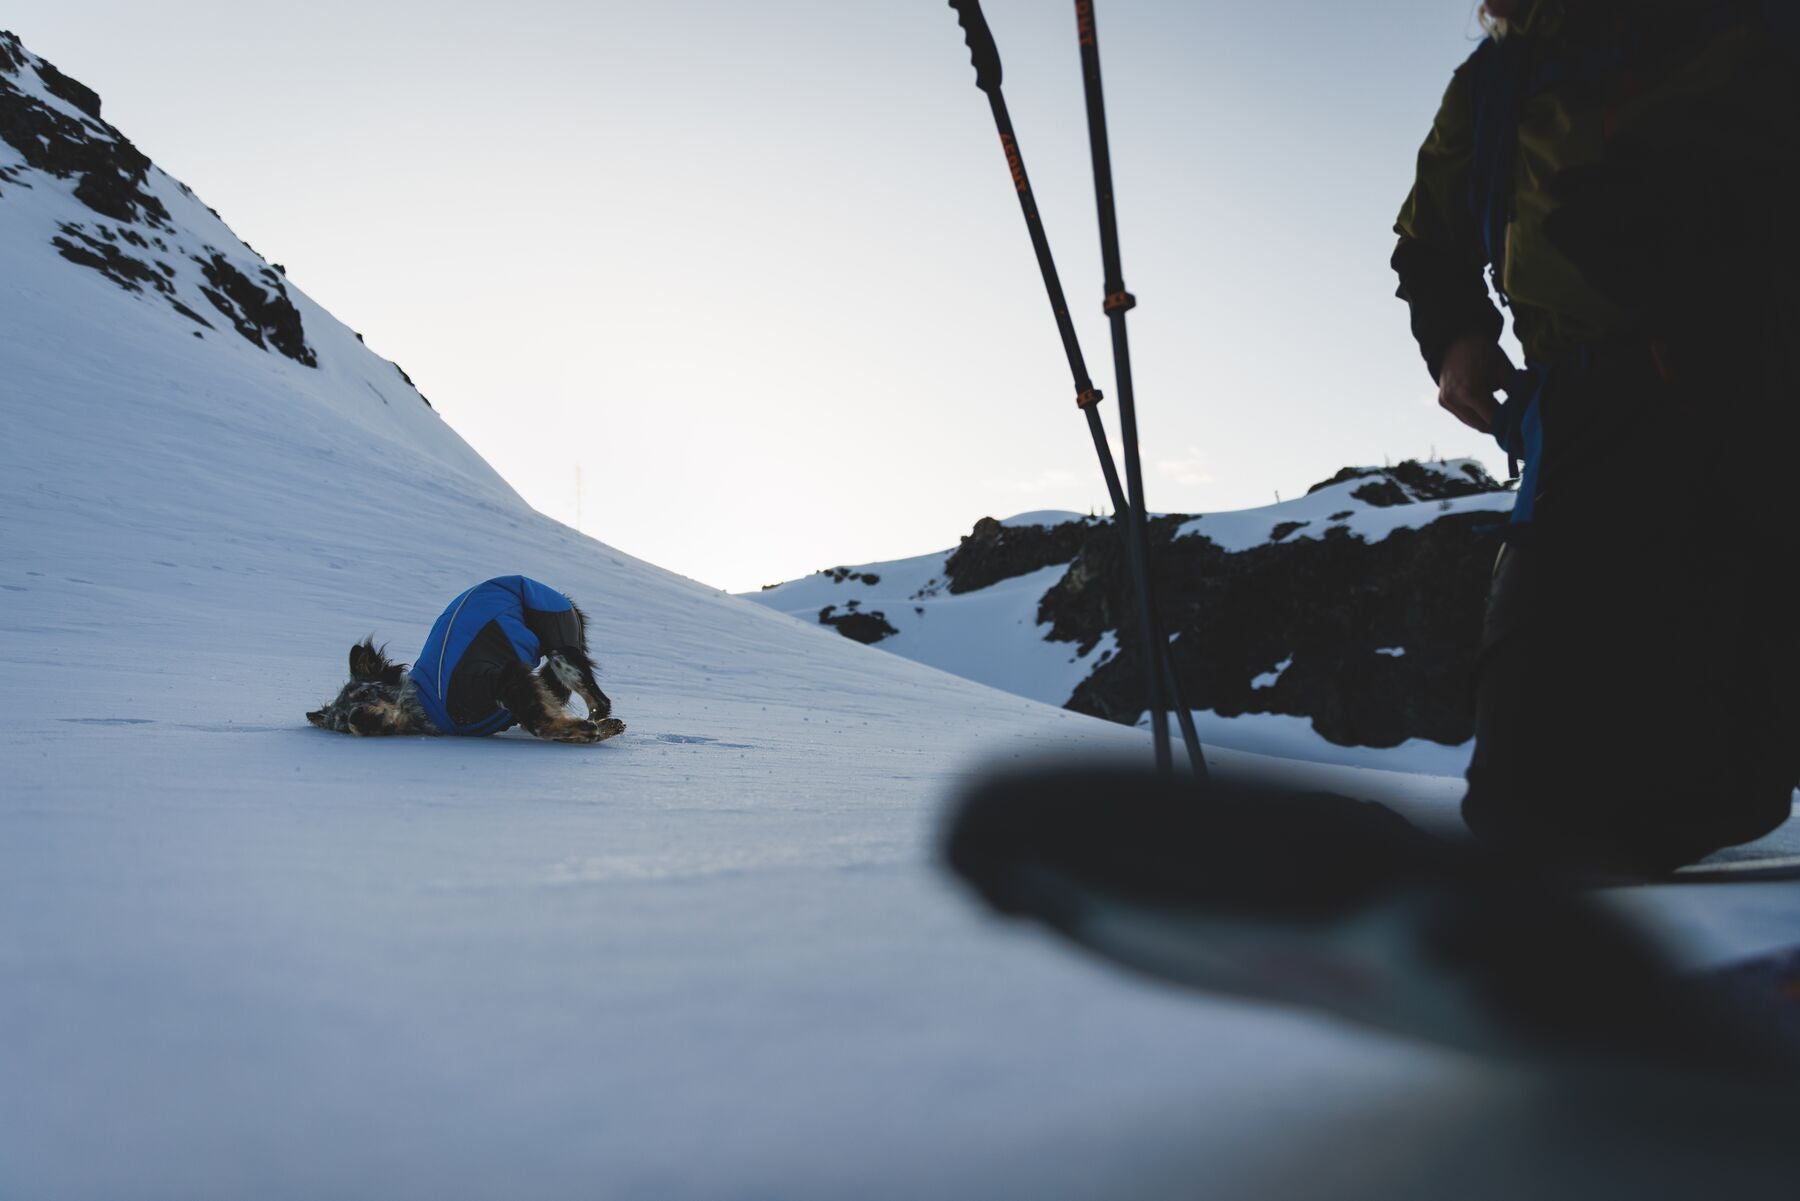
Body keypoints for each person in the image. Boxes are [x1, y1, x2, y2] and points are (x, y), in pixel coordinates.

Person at [1391, 0, 1800, 872]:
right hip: (1590, 397)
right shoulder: (1497, 81)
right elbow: (1431, 240)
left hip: (1754, 376)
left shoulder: (1739, 27)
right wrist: (1455, 332)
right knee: (1533, 791)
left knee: (1738, 714)